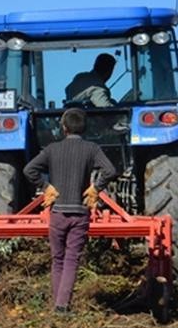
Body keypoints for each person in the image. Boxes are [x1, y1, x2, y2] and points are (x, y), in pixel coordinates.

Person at [23, 108, 116, 314]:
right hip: (80, 213)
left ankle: (57, 305)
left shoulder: (51, 149)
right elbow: (110, 170)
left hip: (57, 213)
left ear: (63, 128)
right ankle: (62, 306)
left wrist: (46, 187)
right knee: (71, 259)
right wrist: (96, 188)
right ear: (85, 127)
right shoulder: (92, 149)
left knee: (57, 259)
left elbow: (29, 169)